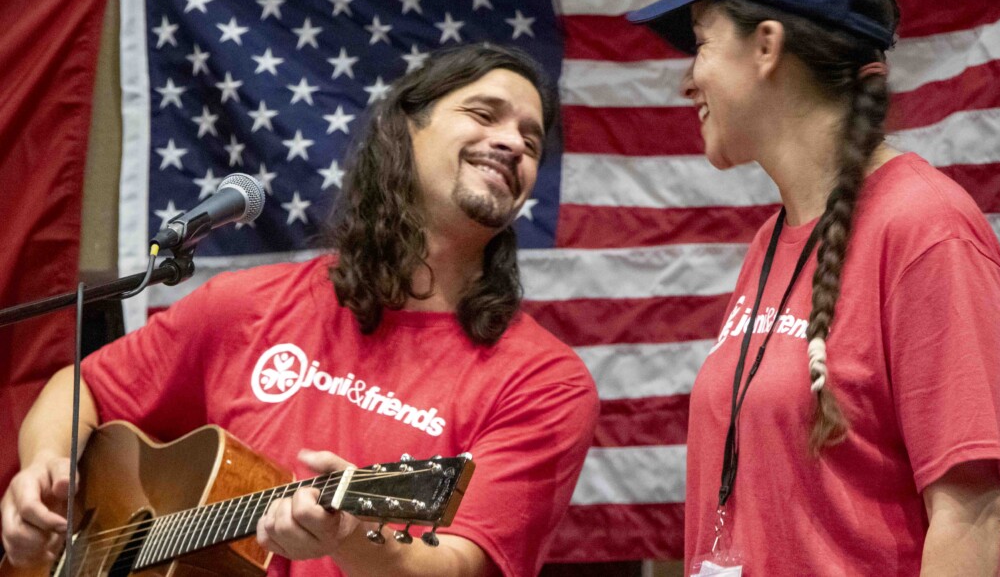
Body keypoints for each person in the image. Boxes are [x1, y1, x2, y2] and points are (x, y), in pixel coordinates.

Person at [0, 43, 600, 577]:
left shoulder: (545, 381)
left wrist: (352, 540)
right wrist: (46, 473)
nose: (513, 142)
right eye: (484, 113)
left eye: (532, 139)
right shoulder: (246, 306)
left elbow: (463, 565)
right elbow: (78, 388)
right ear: (406, 129)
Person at [627, 0, 1000, 576]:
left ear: (766, 46)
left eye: (700, 42)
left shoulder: (928, 229)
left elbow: (973, 518)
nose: (687, 80)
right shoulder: (770, 242)